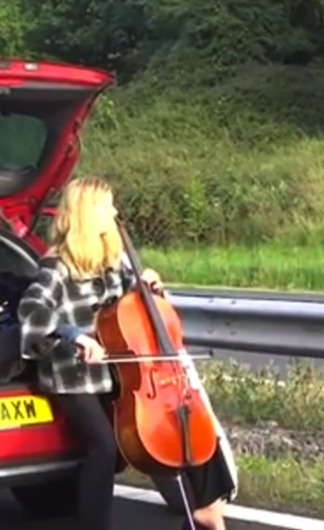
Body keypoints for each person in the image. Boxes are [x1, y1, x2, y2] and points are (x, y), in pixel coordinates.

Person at [17, 177, 237, 530]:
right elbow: (32, 314)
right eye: (108, 206)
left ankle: (206, 506)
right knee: (103, 448)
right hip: (71, 375)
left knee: (174, 422)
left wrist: (150, 289)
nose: (115, 212)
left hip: (116, 371)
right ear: (89, 213)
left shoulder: (115, 262)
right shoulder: (56, 267)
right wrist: (74, 334)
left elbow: (136, 313)